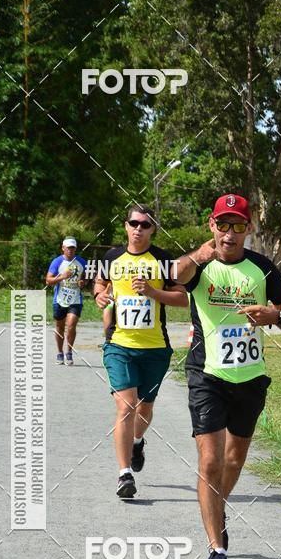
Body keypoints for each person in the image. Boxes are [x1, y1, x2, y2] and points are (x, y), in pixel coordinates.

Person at [172, 193, 281, 559]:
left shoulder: (262, 269)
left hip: (249, 378)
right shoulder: (201, 265)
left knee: (233, 460)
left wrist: (274, 315)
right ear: (211, 225)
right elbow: (175, 275)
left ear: (249, 229)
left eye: (238, 225)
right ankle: (217, 549)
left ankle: (217, 508)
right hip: (206, 375)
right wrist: (198, 255)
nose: (230, 233)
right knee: (210, 461)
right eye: (223, 224)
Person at [93, 205, 188, 498]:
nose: (138, 228)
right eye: (134, 223)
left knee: (144, 408)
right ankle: (124, 474)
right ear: (126, 226)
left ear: (152, 229)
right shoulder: (111, 257)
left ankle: (137, 442)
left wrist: (152, 292)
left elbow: (182, 299)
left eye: (145, 225)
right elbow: (99, 283)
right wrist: (100, 294)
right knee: (126, 406)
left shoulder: (163, 260)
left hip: (155, 348)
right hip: (119, 344)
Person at [46, 237, 87, 365]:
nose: (70, 250)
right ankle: (59, 352)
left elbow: (87, 279)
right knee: (59, 327)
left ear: (75, 249)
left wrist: (83, 282)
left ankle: (69, 351)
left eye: (73, 248)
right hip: (59, 299)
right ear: (63, 248)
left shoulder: (81, 262)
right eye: (68, 248)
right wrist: (62, 277)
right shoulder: (57, 262)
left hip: (75, 299)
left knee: (71, 325)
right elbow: (48, 281)